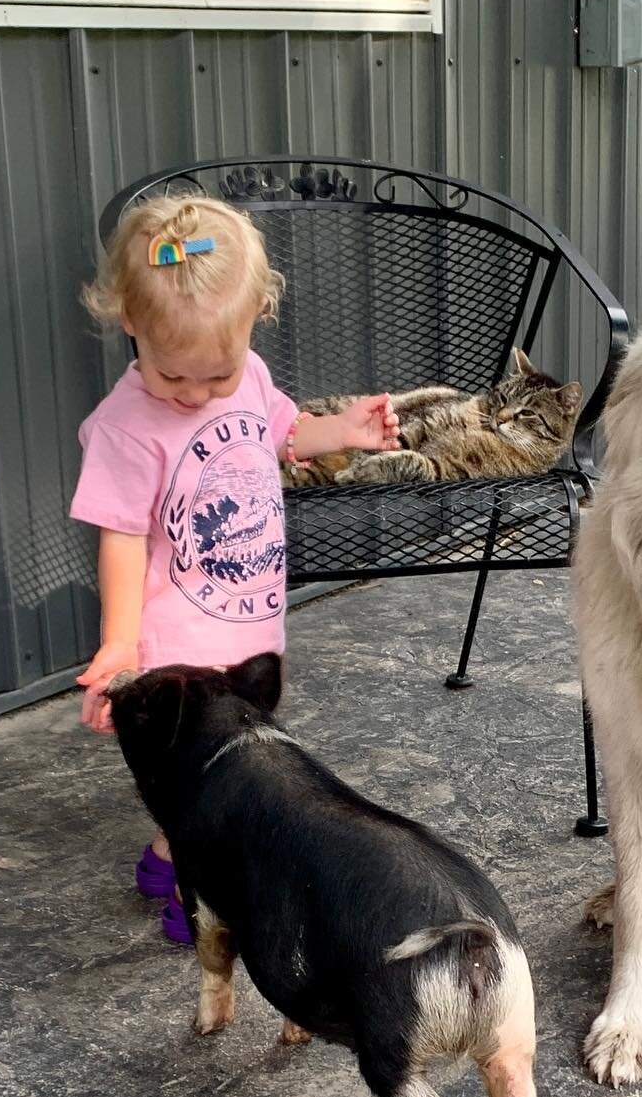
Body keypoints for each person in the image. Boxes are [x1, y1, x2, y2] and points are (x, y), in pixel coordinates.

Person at [70, 194, 399, 941]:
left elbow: (282, 430)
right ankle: (199, 894)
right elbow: (119, 536)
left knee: (234, 767)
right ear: (130, 322)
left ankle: (164, 863)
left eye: (212, 377)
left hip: (251, 626)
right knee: (208, 785)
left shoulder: (245, 373)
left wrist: (343, 430)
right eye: (171, 376)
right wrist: (120, 644)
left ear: (255, 321)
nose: (194, 395)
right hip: (180, 649)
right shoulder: (127, 430)